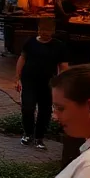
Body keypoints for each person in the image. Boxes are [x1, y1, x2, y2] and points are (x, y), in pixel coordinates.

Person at [15, 18, 69, 151]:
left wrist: (62, 83)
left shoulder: (59, 46)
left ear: (53, 31)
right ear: (38, 30)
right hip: (29, 80)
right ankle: (27, 133)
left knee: (45, 110)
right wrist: (17, 78)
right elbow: (22, 58)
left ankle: (39, 137)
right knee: (28, 107)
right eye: (42, 30)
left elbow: (63, 66)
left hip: (48, 83)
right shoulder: (30, 42)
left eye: (48, 30)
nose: (45, 33)